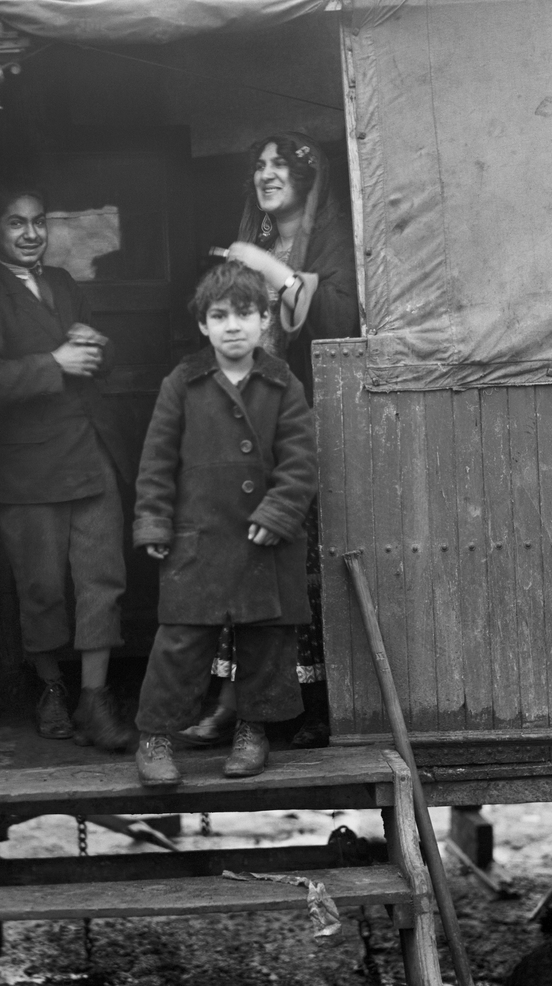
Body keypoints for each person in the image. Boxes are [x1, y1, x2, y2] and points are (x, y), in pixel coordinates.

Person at [180, 132, 359, 750]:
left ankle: (315, 704)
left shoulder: (330, 240)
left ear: (308, 178)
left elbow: (340, 318)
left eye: (281, 164)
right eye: (259, 165)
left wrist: (271, 271)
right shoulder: (247, 243)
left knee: (302, 566)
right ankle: (236, 700)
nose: (267, 173)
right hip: (247, 419)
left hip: (311, 420)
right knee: (239, 555)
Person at [133, 262, 317, 787]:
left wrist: (279, 512)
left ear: (265, 321)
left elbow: (301, 462)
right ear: (203, 326)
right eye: (219, 316)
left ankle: (251, 731)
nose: (232, 326)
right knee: (181, 642)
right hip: (200, 540)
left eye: (244, 314)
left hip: (265, 542)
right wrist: (154, 523)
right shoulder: (183, 384)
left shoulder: (283, 385)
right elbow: (157, 460)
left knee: (265, 641)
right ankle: (155, 738)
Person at [0, 181, 135, 752]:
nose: (31, 233)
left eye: (38, 222)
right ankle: (50, 688)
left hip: (88, 454)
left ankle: (94, 697)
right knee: (39, 587)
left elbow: (99, 359)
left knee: (101, 581)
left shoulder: (63, 283)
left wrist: (98, 345)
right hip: (27, 467)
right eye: (16, 223)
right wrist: (54, 361)